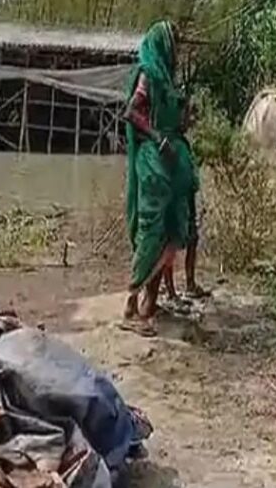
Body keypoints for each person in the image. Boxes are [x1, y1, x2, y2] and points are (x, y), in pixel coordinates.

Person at [121, 21, 196, 337]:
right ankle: (130, 306)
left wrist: (186, 119)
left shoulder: (166, 79)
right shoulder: (148, 74)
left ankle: (151, 304)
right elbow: (132, 112)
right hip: (153, 163)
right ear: (161, 44)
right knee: (151, 231)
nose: (175, 50)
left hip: (171, 163)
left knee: (172, 227)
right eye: (173, 43)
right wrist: (158, 138)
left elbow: (172, 121)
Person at [162, 98, 210, 310]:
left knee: (192, 239)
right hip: (173, 200)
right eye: (187, 115)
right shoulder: (167, 141)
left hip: (187, 198)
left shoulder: (182, 142)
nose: (190, 120)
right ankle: (171, 291)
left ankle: (190, 284)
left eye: (192, 116)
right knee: (170, 244)